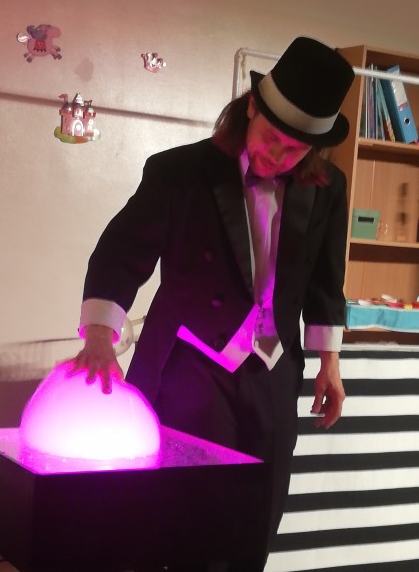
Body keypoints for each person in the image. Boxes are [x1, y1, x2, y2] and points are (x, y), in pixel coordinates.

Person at [69, 36, 355, 571]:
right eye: (272, 138)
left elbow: (324, 280)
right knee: (185, 521)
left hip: (272, 371)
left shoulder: (328, 188)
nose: (277, 156)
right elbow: (121, 254)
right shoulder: (179, 172)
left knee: (257, 513)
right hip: (189, 364)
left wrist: (330, 363)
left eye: (295, 149)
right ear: (251, 108)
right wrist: (101, 339)